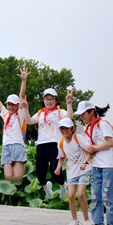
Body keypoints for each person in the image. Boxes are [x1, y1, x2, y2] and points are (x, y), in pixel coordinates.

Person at [19, 67, 73, 198]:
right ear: (43, 100)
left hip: (55, 144)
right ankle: (46, 188)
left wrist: (69, 102)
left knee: (56, 170)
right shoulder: (40, 113)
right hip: (42, 144)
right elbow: (29, 121)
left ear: (56, 100)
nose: (48, 101)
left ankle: (62, 186)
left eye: (51, 99)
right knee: (40, 173)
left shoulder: (60, 112)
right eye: (46, 99)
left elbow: (70, 117)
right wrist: (25, 108)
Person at [76, 101, 113, 225]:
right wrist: (85, 161)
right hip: (96, 166)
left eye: (83, 113)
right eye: (80, 114)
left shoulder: (103, 124)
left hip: (109, 165)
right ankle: (98, 224)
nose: (82, 116)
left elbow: (109, 142)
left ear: (91, 112)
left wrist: (94, 148)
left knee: (108, 196)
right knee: (96, 196)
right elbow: (91, 149)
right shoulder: (88, 129)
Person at [53, 117, 92, 225]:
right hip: (71, 172)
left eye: (66, 128)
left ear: (72, 128)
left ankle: (86, 221)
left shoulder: (78, 138)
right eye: (62, 128)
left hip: (84, 170)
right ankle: (74, 220)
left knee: (81, 194)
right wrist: (58, 168)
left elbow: (89, 151)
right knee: (70, 196)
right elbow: (61, 157)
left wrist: (85, 162)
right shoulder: (60, 142)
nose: (64, 131)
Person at [0, 83, 28, 182]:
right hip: (6, 146)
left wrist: (23, 81)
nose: (11, 107)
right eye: (9, 104)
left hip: (17, 145)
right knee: (8, 177)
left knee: (17, 177)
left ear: (17, 105)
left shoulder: (20, 114)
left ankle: (21, 164)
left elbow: (21, 96)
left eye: (13, 105)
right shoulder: (6, 114)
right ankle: (17, 165)